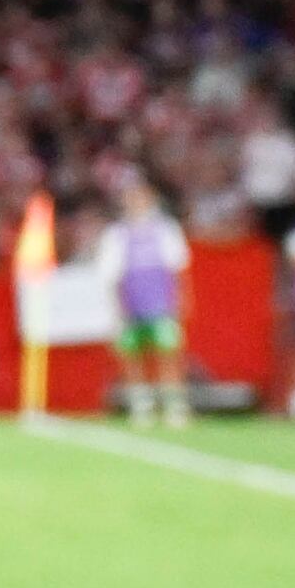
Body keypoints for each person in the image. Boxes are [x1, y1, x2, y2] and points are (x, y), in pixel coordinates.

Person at [102, 171, 188, 427]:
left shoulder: (165, 230)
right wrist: (116, 310)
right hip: (130, 305)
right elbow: (111, 277)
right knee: (132, 356)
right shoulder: (116, 235)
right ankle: (141, 405)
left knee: (168, 354)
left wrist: (179, 301)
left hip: (161, 304)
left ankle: (174, 405)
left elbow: (177, 270)